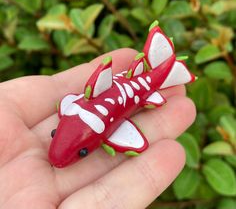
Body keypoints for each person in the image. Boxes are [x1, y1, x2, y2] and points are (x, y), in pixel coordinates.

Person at [0, 48, 196, 209]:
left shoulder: (73, 106)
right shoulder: (72, 108)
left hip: (136, 86)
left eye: (82, 151)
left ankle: (167, 67)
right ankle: (168, 65)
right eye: (55, 133)